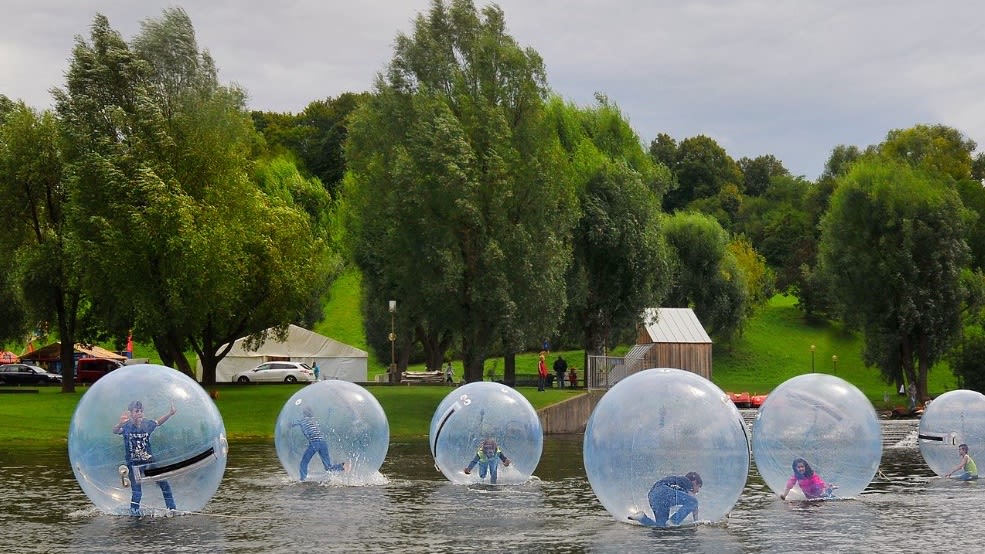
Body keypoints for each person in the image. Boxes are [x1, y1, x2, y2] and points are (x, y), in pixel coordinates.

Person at [113, 400, 178, 516]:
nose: (140, 413)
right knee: (137, 492)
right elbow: (115, 431)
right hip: (134, 465)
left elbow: (158, 422)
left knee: (164, 484)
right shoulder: (126, 426)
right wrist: (120, 424)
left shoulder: (147, 424)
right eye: (136, 411)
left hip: (149, 462)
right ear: (131, 413)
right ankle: (134, 514)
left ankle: (172, 510)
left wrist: (170, 414)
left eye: (141, 411)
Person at [293, 406, 349, 481]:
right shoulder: (314, 420)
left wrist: (288, 425)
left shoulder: (303, 420)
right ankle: (343, 466)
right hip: (323, 443)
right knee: (328, 467)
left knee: (304, 462)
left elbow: (292, 424)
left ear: (304, 413)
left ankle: (302, 480)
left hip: (314, 444)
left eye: (304, 411)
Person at [628, 472, 702, 527]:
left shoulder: (678, 482)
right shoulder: (687, 481)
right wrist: (696, 523)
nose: (697, 491)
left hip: (652, 495)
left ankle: (642, 518)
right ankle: (673, 521)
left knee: (661, 527)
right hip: (663, 490)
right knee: (694, 502)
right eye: (698, 487)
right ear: (695, 482)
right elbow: (693, 502)